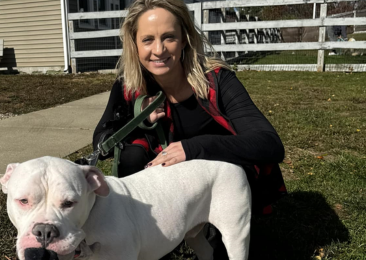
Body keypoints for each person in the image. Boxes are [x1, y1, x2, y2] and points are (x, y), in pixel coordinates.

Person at [92, 0, 287, 219]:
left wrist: (193, 147)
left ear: (184, 39)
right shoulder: (128, 86)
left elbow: (270, 144)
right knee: (131, 154)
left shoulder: (217, 80)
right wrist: (140, 119)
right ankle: (142, 223)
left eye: (169, 37)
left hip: (218, 186)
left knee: (218, 251)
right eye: (147, 40)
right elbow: (101, 142)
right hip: (168, 188)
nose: (158, 50)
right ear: (134, 44)